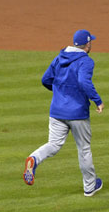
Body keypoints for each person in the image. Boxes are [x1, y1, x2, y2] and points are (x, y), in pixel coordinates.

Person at [23, 29, 104, 197]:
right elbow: (83, 81)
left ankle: (34, 159)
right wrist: (97, 100)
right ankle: (89, 187)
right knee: (84, 149)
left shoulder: (59, 57)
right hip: (78, 114)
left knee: (53, 145)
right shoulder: (86, 61)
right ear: (87, 44)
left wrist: (61, 93)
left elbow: (45, 80)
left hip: (57, 111)